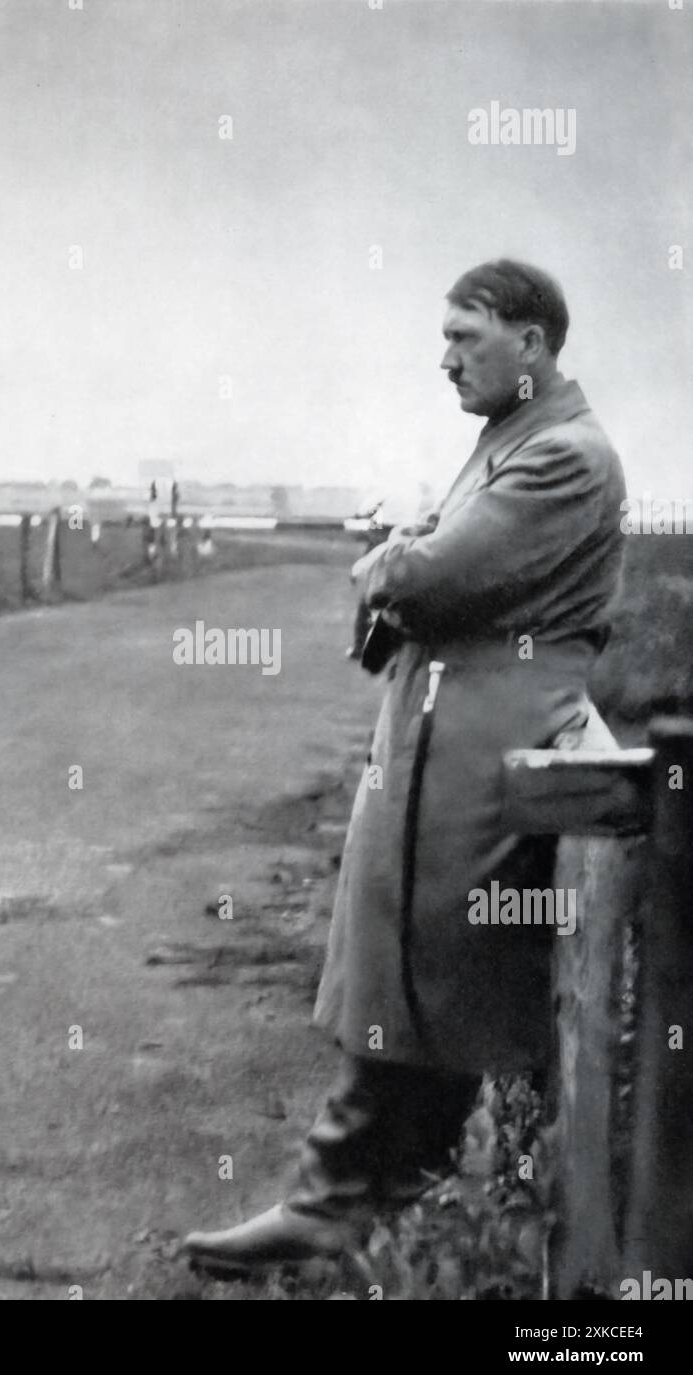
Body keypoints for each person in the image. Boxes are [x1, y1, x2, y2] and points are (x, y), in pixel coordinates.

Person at [181, 259, 627, 1275]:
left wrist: (392, 557)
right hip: (442, 727)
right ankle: (358, 1198)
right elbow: (426, 574)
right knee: (403, 957)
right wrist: (405, 560)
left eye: (463, 338)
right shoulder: (508, 441)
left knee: (433, 959)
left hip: (483, 737)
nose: (444, 360)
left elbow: (433, 573)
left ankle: (351, 1200)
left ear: (531, 343)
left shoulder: (563, 454)